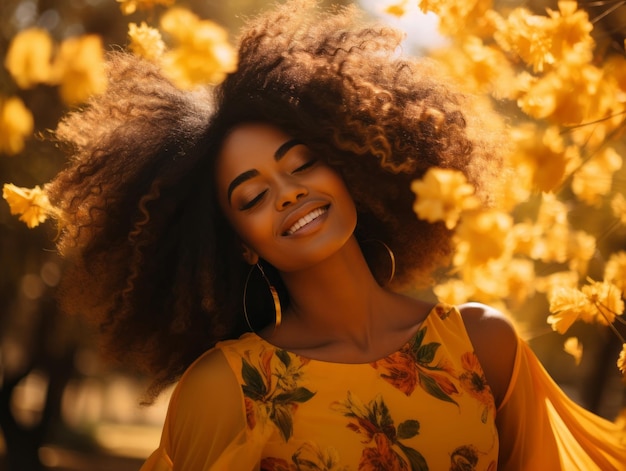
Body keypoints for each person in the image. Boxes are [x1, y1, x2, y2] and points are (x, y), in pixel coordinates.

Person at [46, 0, 626, 469]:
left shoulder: (483, 345)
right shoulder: (229, 389)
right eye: (252, 196)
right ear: (240, 241)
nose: (290, 193)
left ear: (349, 169)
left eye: (301, 163)